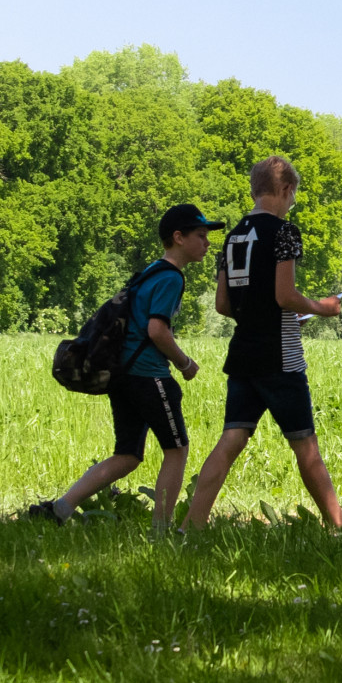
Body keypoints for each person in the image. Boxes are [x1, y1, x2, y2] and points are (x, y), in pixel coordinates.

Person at [33, 203, 224, 531]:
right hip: (149, 376)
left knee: (128, 455)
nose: (207, 243)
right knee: (177, 450)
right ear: (178, 238)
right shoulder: (171, 278)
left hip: (122, 376)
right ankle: (161, 532)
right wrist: (185, 363)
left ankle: (61, 509)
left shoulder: (150, 271)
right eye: (201, 235)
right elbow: (156, 330)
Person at [183, 155, 342, 530]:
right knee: (306, 447)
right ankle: (338, 528)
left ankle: (189, 527)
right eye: (293, 196)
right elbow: (285, 296)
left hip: (242, 355)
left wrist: (261, 315)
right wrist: (323, 308)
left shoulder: (232, 236)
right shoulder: (285, 232)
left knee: (230, 441)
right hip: (280, 358)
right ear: (285, 190)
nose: (292, 203)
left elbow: (223, 304)